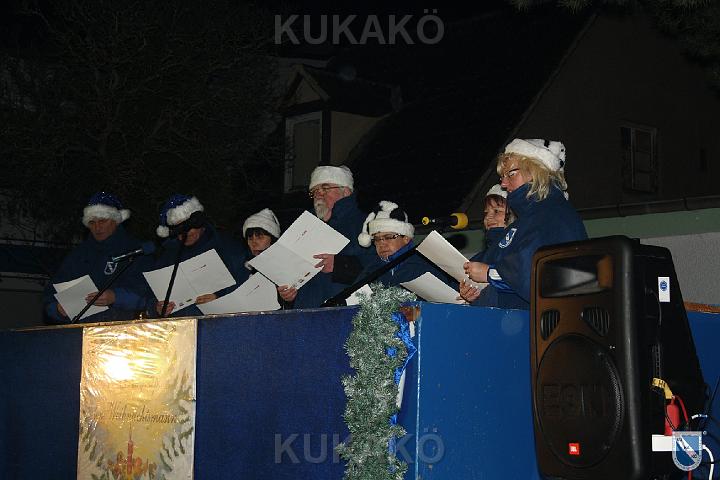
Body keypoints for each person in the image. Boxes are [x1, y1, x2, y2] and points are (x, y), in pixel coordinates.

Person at [459, 138, 587, 309]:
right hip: (509, 320)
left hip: (533, 324)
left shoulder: (552, 214)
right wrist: (476, 290)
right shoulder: (527, 220)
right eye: (502, 177)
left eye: (511, 174)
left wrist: (490, 274)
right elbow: (495, 262)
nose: (503, 184)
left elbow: (538, 277)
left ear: (536, 171)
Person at [43, 192, 149, 324]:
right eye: (92, 222)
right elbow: (51, 293)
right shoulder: (78, 255)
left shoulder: (135, 250)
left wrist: (115, 297)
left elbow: (148, 295)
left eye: (102, 221)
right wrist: (57, 309)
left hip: (123, 326)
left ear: (116, 221)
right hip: (81, 327)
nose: (97, 227)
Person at [286, 165, 375, 308]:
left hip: (345, 312)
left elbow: (377, 267)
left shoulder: (366, 224)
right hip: (306, 312)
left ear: (346, 191)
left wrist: (339, 265)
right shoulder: (304, 226)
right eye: (314, 191)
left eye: (325, 188)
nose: (318, 194)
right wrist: (289, 294)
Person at [149, 194, 250, 317]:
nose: (186, 233)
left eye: (189, 226)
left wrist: (220, 298)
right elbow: (151, 294)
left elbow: (245, 283)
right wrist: (156, 308)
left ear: (199, 222)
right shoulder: (168, 255)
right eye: (179, 229)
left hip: (218, 321)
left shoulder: (226, 246)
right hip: (180, 324)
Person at [356, 201, 457, 295]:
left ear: (406, 238)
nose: (382, 244)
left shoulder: (428, 264)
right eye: (377, 239)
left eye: (388, 237)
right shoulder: (370, 271)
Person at [241, 207, 294, 307]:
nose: (254, 243)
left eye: (260, 237)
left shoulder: (287, 268)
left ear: (272, 239)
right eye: (250, 238)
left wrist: (289, 299)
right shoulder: (243, 269)